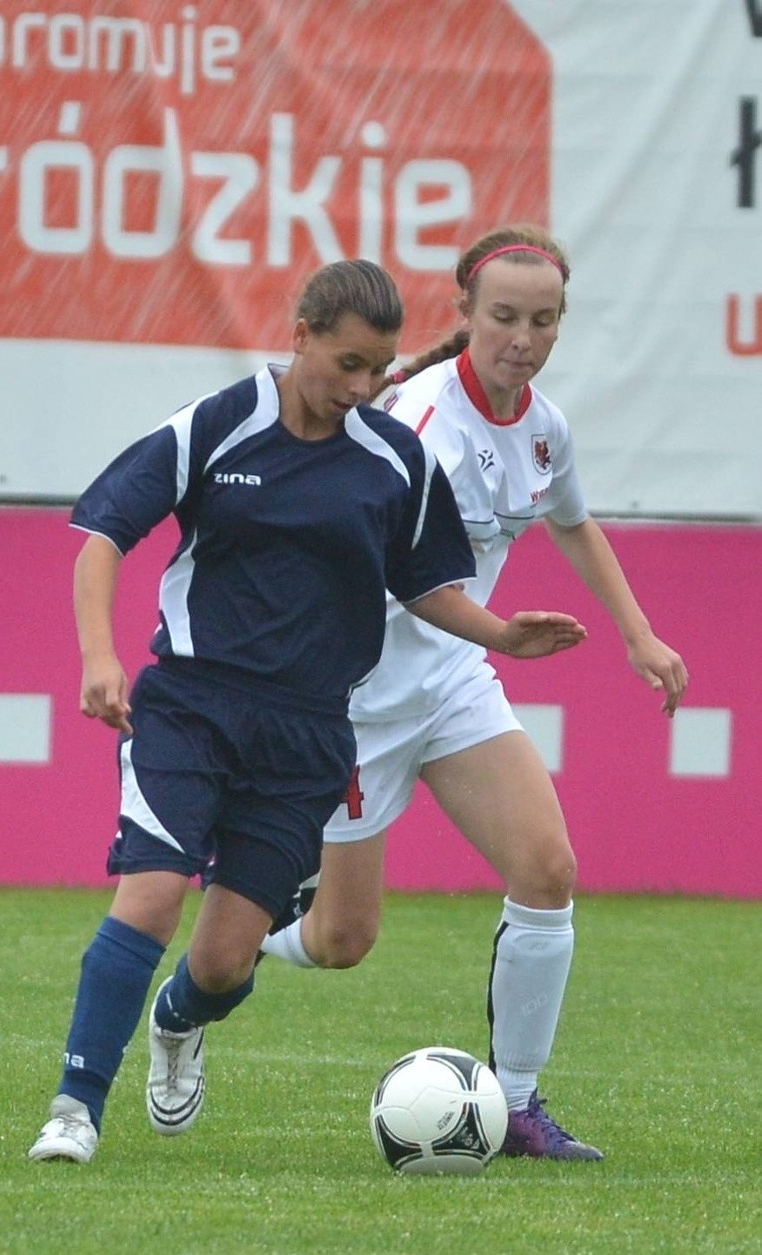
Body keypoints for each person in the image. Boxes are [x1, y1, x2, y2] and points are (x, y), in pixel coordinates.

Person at [28, 258, 587, 1164]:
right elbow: (102, 530)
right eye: (349, 365)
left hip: (310, 733)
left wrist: (501, 634)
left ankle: (180, 1021)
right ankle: (74, 1108)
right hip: (192, 708)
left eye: (380, 369)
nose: (364, 389)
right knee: (155, 894)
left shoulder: (392, 457)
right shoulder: (222, 424)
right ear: (300, 337)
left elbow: (427, 583)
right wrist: (100, 657)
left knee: (221, 963)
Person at [259, 227, 689, 1161]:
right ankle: (252, 938)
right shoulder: (412, 421)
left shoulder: (544, 427)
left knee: (548, 869)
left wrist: (637, 632)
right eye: (502, 317)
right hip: (360, 703)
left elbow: (573, 523)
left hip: (452, 686)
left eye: (542, 321)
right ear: (463, 315)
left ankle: (521, 1104)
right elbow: (374, 568)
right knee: (341, 940)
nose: (521, 339)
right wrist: (496, 630)